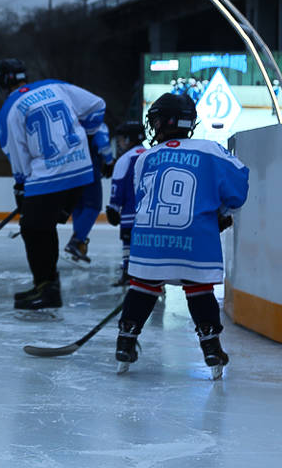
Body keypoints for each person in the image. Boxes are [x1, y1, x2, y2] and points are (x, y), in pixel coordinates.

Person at [115, 93, 249, 378]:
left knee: (142, 286)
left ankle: (125, 341)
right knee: (199, 289)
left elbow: (143, 200)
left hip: (149, 237)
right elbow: (238, 188)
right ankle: (211, 347)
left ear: (164, 122)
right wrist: (220, 213)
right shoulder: (211, 149)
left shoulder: (145, 156)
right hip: (194, 237)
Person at [0, 58, 111, 314]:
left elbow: (17, 153)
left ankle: (47, 289)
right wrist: (87, 140)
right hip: (82, 171)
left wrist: (22, 186)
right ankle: (46, 286)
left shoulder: (9, 109)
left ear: (2, 85)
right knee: (42, 226)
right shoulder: (56, 86)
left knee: (33, 228)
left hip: (49, 174)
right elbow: (97, 106)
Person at [104, 120, 148, 286]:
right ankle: (152, 276)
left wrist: (113, 207)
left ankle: (128, 273)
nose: (120, 143)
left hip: (130, 214)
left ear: (129, 139)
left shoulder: (126, 159)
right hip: (153, 215)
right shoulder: (152, 154)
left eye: (122, 139)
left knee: (128, 243)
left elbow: (118, 186)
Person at [63, 125, 113, 266]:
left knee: (78, 206)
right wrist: (109, 162)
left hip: (71, 169)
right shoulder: (96, 124)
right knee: (93, 206)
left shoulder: (71, 123)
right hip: (90, 168)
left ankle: (78, 246)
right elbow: (103, 144)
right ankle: (76, 242)